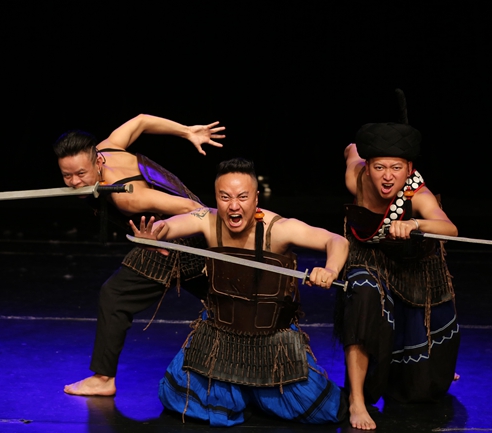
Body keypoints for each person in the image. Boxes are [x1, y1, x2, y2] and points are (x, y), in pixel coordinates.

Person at [129, 157, 350, 427]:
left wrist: (330, 269)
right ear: (217, 198)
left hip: (271, 341)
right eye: (225, 197)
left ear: (256, 199)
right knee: (174, 396)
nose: (233, 206)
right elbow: (170, 225)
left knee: (323, 410)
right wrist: (153, 235)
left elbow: (336, 240)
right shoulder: (207, 219)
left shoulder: (279, 229)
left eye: (242, 197)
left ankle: (256, 395)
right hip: (220, 337)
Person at [53, 114, 225, 396]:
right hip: (177, 236)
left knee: (114, 295)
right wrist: (186, 131)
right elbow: (142, 120)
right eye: (67, 175)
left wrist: (230, 233)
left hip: (176, 238)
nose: (74, 182)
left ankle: (103, 378)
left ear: (98, 162)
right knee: (222, 301)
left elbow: (194, 209)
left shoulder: (128, 197)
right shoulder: (108, 147)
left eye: (81, 174)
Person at [333, 117, 461, 430]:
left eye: (396, 168)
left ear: (409, 168)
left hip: (411, 261)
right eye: (379, 167)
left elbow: (450, 228)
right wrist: (354, 148)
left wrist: (416, 223)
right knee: (362, 297)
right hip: (367, 254)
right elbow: (352, 152)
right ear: (368, 167)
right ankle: (357, 399)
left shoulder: (418, 193)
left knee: (421, 388)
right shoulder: (355, 177)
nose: (387, 176)